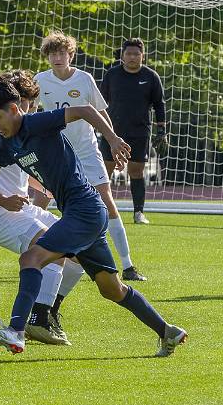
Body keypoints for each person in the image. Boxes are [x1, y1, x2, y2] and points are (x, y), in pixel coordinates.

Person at [0, 81, 187, 357]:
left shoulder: (37, 123)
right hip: (82, 213)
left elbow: (85, 109)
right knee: (112, 289)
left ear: (14, 109)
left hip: (83, 210)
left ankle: (17, 331)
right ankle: (168, 331)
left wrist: (112, 138)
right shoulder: (7, 142)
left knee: (31, 259)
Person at [0, 70, 84, 346]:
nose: (34, 110)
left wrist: (41, 185)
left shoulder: (19, 133)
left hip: (22, 211)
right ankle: (36, 320)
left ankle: (48, 313)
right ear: (17, 104)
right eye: (31, 104)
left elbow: (18, 166)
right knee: (52, 248)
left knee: (80, 252)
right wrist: (3, 200)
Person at [34, 31, 146, 282]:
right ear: (47, 57)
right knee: (40, 200)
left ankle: (127, 265)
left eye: (62, 53)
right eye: (53, 54)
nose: (58, 58)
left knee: (106, 200)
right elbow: (28, 111)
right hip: (55, 153)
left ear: (71, 55)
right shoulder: (40, 80)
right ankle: (35, 259)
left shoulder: (84, 79)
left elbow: (100, 113)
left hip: (85, 151)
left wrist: (113, 140)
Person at [99, 38, 167, 225]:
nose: (132, 57)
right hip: (112, 132)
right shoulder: (112, 75)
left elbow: (159, 105)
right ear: (122, 55)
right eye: (128, 53)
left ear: (142, 56)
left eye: (136, 54)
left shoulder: (151, 76)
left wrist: (162, 130)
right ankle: (99, 211)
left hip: (139, 132)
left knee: (136, 172)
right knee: (105, 173)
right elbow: (100, 103)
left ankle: (139, 213)